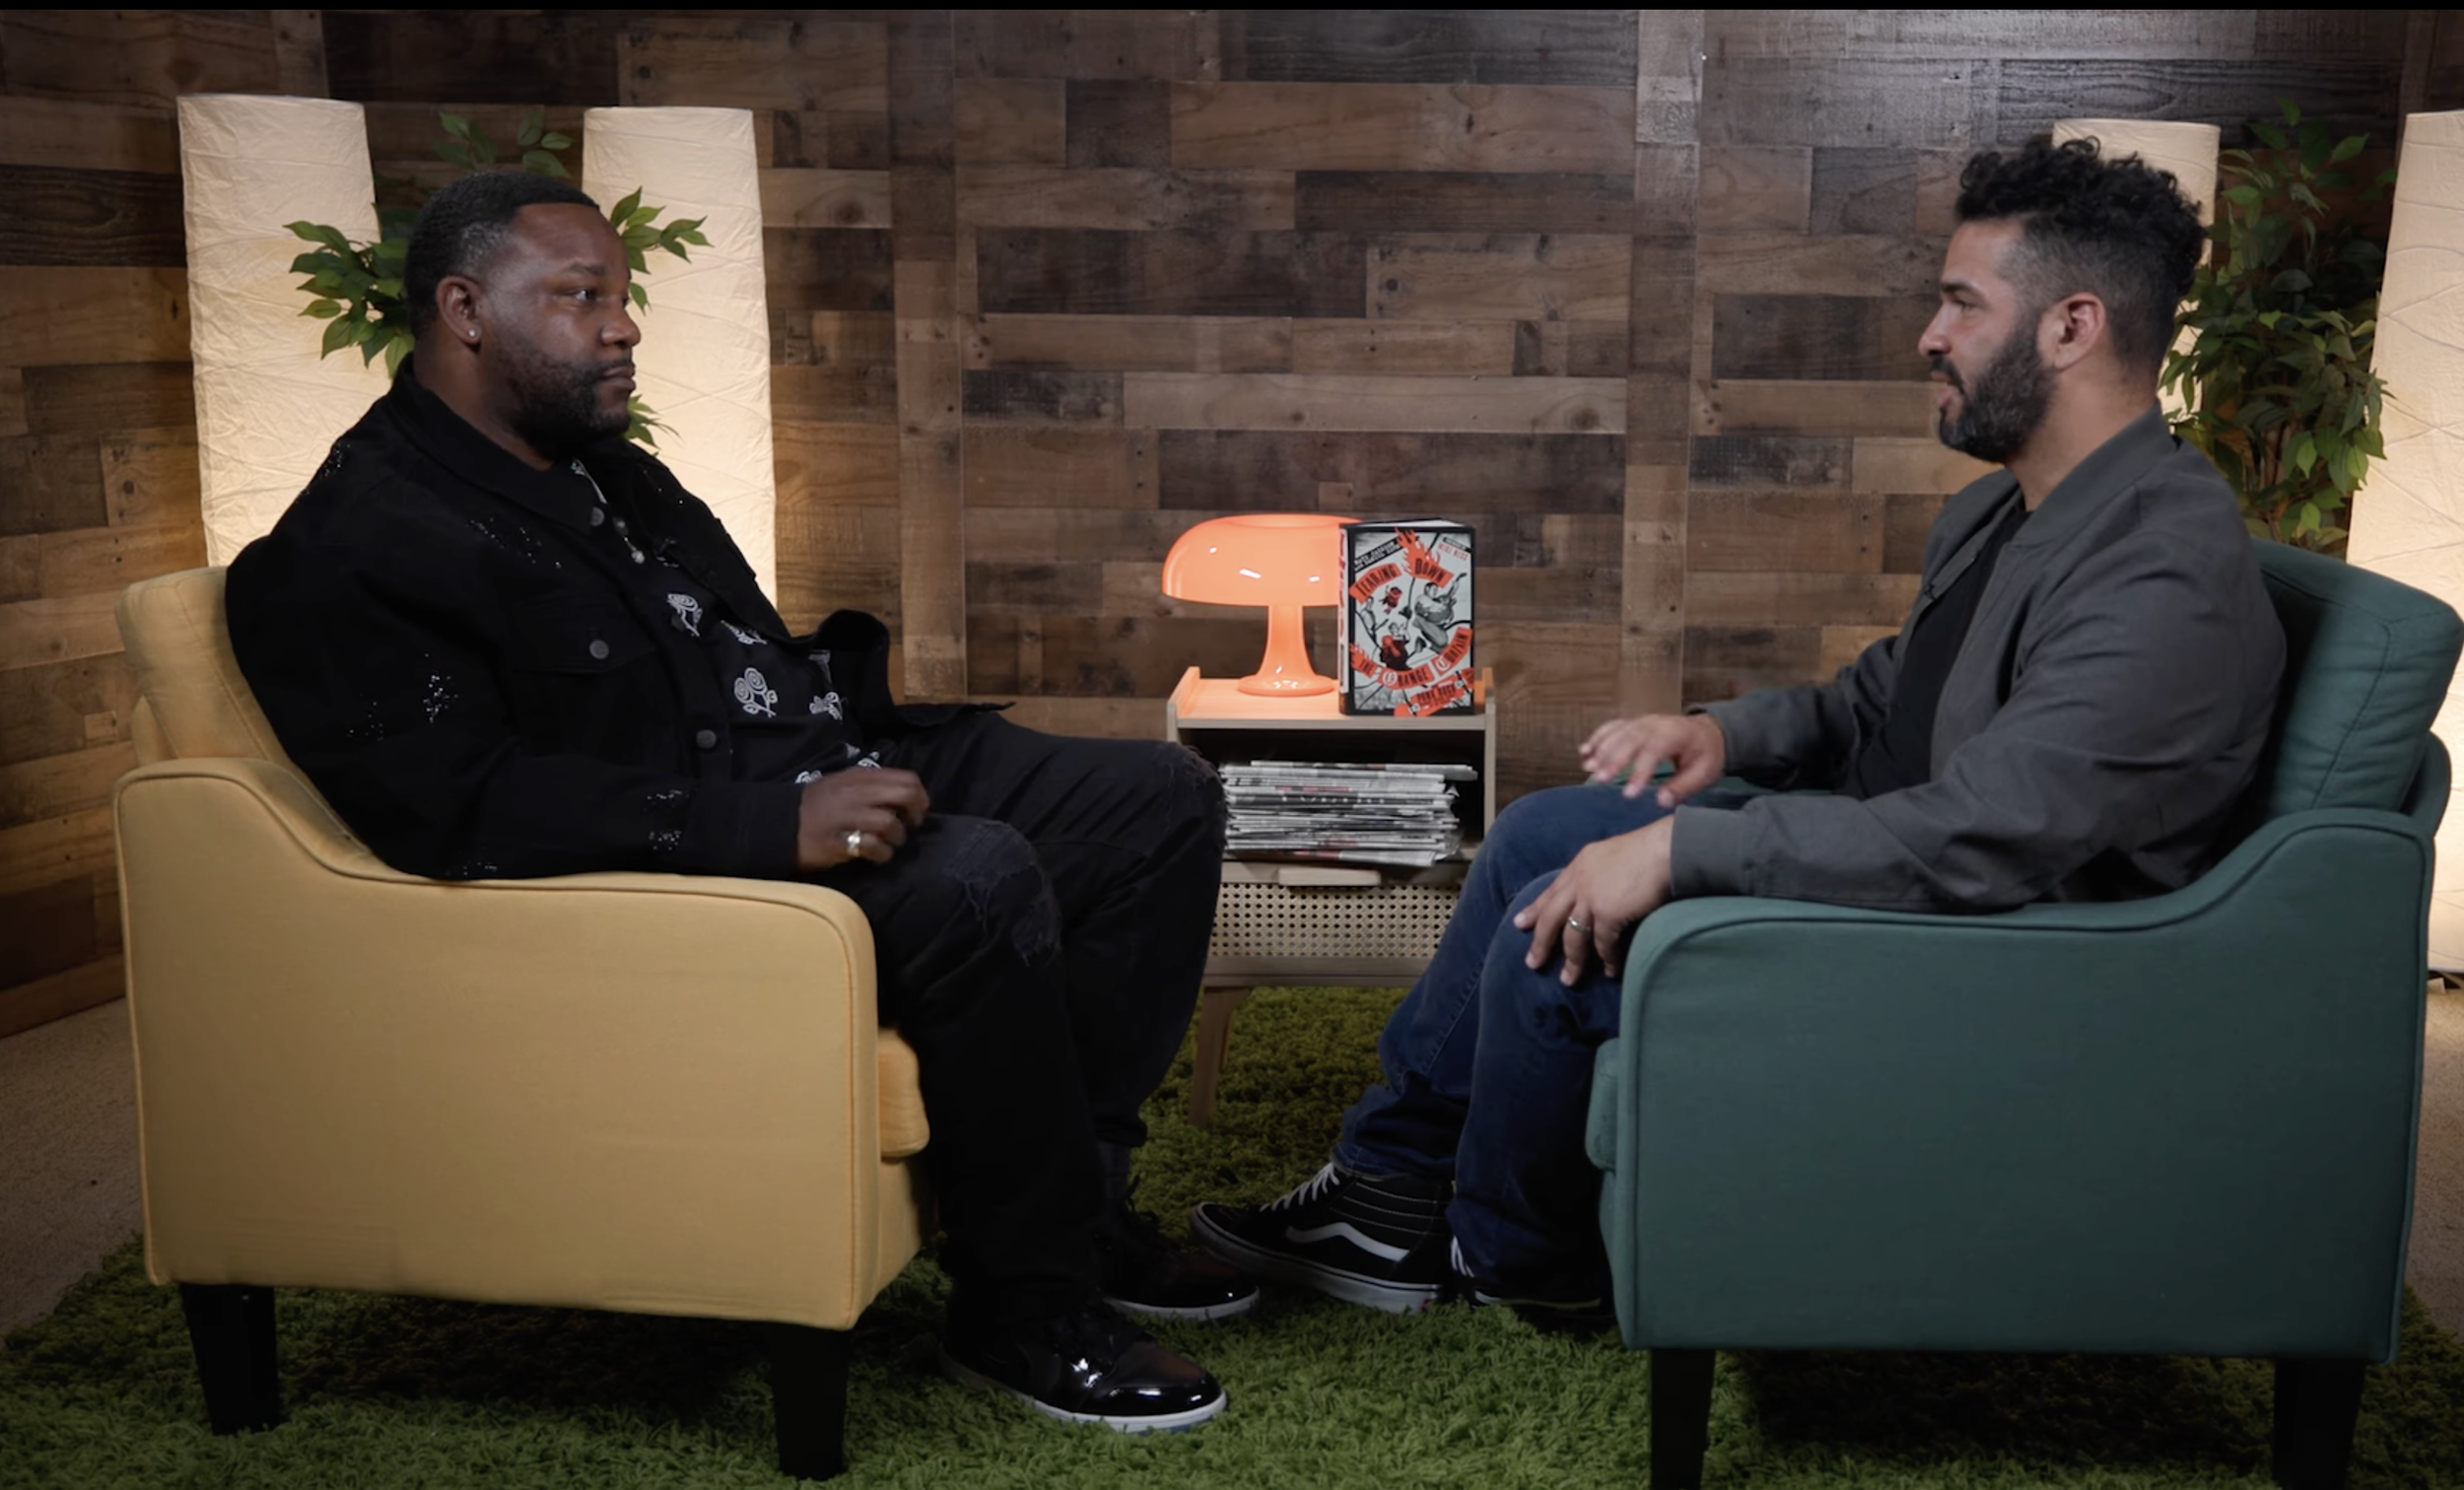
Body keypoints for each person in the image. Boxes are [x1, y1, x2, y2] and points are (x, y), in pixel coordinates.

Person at [224, 169, 1255, 1431]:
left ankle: (1079, 1212)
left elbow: (731, 653)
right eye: (579, 296)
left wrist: (841, 750)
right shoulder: (359, 543)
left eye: (622, 293)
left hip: (810, 759)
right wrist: (770, 825)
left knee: (1160, 799)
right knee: (974, 874)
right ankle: (1025, 1307)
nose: (622, 324)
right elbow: (460, 806)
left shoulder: (610, 469)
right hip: (690, 854)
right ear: (463, 309)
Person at [1192, 139, 2286, 1326]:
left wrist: (1681, 852)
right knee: (1538, 834)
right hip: (1898, 859)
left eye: (1962, 304)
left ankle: (1517, 1261)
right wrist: (1724, 736)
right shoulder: (2009, 509)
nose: (1929, 334)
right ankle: (1387, 1190)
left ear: (2072, 327)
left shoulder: (2159, 567)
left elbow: (1992, 833)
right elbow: (1885, 697)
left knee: (1566, 921)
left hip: (1999, 955)